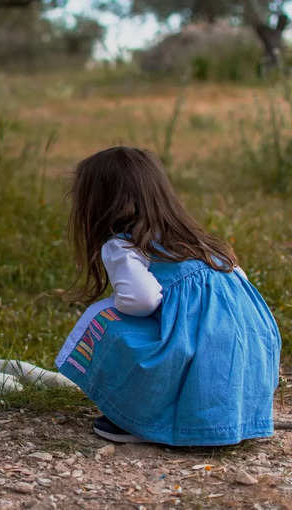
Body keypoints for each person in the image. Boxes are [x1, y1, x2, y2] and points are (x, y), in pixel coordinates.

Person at [55, 146, 281, 446]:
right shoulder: (201, 243)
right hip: (251, 357)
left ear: (99, 205)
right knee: (198, 333)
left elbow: (142, 300)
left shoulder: (123, 246)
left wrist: (117, 305)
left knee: (103, 319)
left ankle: (140, 419)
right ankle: (230, 416)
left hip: (199, 355)